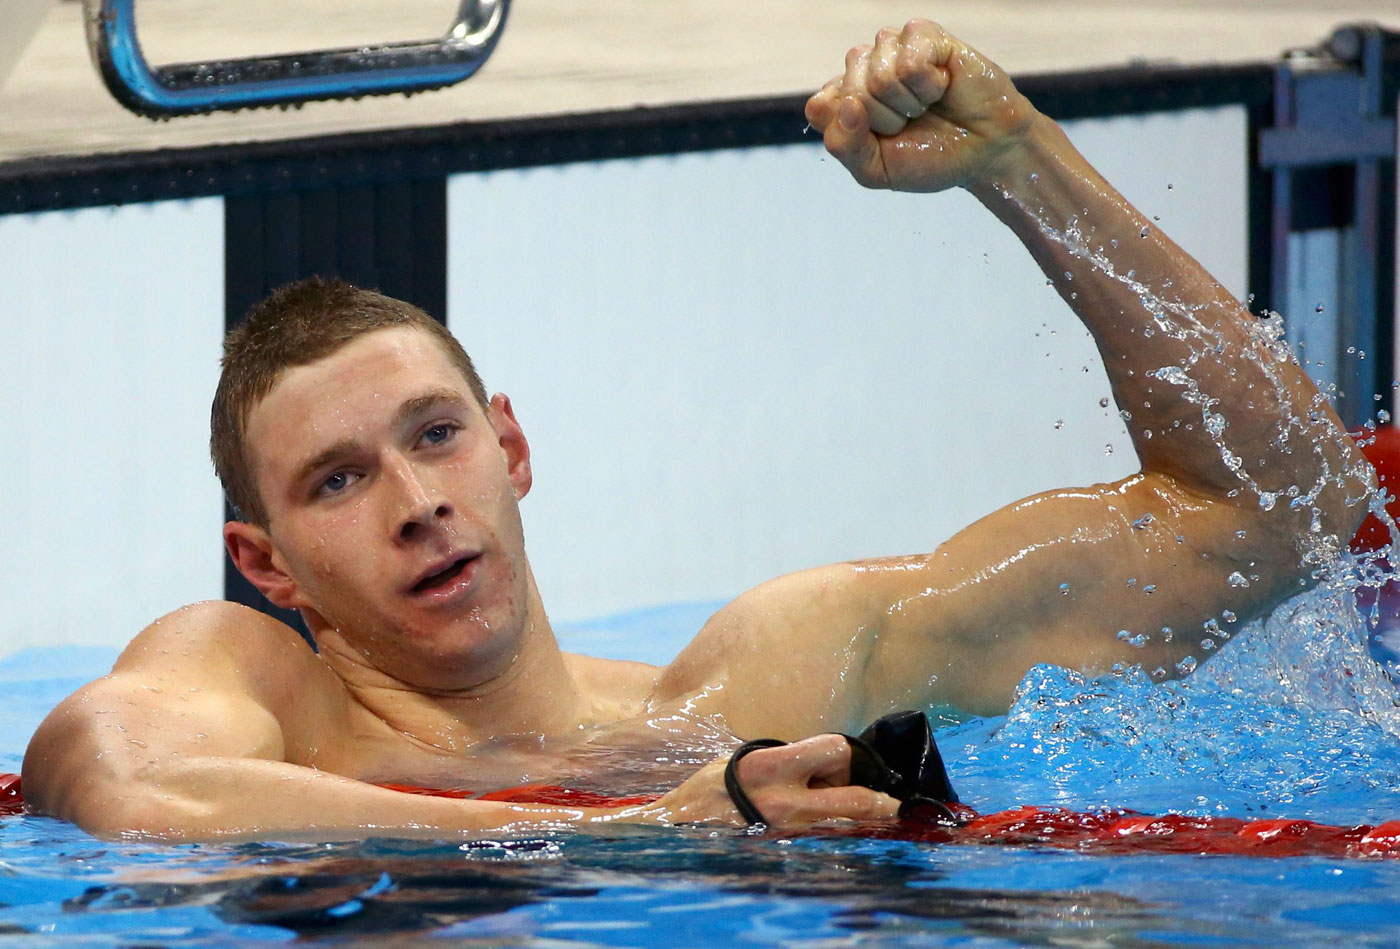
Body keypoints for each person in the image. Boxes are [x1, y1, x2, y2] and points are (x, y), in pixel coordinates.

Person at [22, 19, 1371, 841]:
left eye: (435, 436)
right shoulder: (262, 690)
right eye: (336, 480)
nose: (416, 499)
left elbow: (1287, 517)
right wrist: (628, 841)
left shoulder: (756, 686)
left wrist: (1022, 164)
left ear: (513, 449)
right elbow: (124, 784)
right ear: (264, 564)